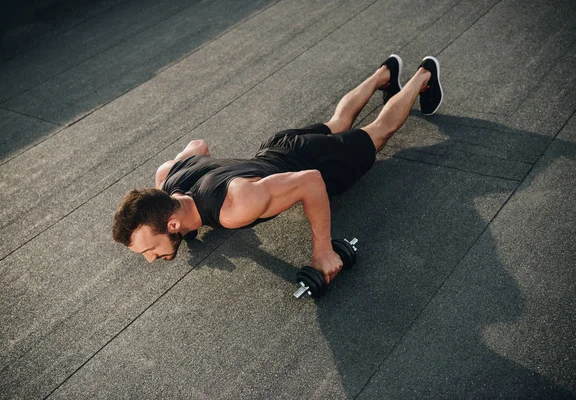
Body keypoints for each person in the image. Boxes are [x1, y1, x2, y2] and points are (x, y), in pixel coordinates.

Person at [113, 54, 443, 284]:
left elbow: (311, 183)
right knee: (338, 122)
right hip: (277, 145)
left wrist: (323, 251)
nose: (150, 259)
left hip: (311, 163)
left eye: (149, 250)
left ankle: (423, 76)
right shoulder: (168, 177)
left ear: (171, 222)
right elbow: (198, 147)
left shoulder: (233, 208)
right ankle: (385, 73)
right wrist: (185, 228)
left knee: (378, 132)